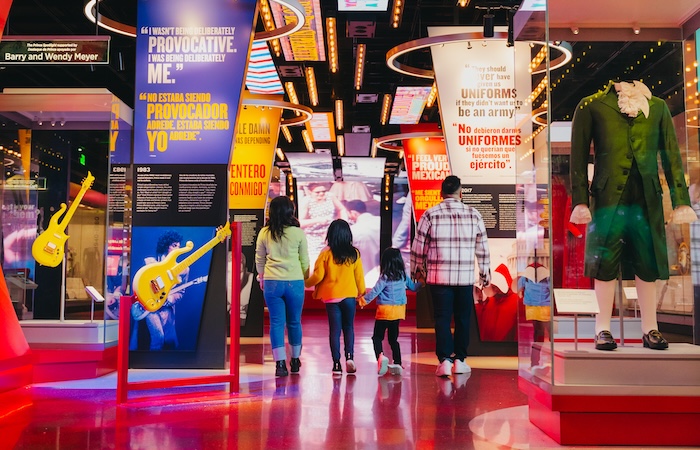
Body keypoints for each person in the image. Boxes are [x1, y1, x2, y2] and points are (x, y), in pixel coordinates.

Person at [569, 80, 696, 351]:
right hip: (606, 198)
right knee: (604, 261)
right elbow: (578, 156)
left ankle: (650, 328)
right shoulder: (591, 105)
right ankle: (602, 327)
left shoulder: (658, 108)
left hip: (646, 197)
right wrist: (580, 200)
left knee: (647, 261)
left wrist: (680, 201)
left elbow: (671, 155)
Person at [410, 175, 491, 377]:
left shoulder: (430, 215)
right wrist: (484, 273)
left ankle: (444, 361)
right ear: (460, 193)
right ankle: (460, 360)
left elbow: (418, 248)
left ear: (441, 193)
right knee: (464, 319)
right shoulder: (474, 215)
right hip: (464, 279)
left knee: (442, 319)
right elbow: (482, 248)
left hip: (439, 279)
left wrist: (416, 271)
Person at [255, 196, 310, 377]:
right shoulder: (298, 233)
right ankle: (294, 360)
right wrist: (302, 276)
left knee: (277, 323)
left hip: (272, 282)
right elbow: (304, 261)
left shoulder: (264, 232)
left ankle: (279, 364)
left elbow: (259, 258)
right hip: (294, 281)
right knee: (294, 322)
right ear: (290, 211)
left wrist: (262, 276)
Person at [305, 219, 365, 375]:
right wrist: (362, 292)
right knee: (349, 327)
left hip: (332, 297)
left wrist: (305, 282)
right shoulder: (354, 253)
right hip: (350, 296)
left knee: (335, 331)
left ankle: (336, 364)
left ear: (330, 234)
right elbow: (359, 276)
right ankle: (350, 357)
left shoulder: (326, 253)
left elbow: (318, 275)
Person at [359, 247, 423, 376]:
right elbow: (413, 288)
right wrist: (421, 282)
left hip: (384, 311)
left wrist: (362, 301)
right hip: (398, 311)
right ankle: (398, 363)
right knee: (393, 340)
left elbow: (375, 291)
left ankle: (380, 356)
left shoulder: (385, 277)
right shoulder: (403, 276)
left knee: (377, 337)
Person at [130, 230, 189, 351]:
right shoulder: (150, 262)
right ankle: (151, 364)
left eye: (179, 246)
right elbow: (139, 282)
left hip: (166, 309)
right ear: (166, 245)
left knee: (168, 341)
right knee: (158, 337)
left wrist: (169, 299)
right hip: (150, 307)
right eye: (174, 245)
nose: (177, 248)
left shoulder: (184, 269)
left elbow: (181, 293)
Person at [298, 182, 349, 267]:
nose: (321, 194)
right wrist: (317, 220)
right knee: (317, 263)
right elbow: (299, 223)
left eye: (323, 191)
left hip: (331, 234)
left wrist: (343, 225)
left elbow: (342, 209)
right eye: (317, 192)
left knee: (334, 261)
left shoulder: (330, 196)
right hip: (313, 237)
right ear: (310, 192)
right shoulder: (307, 201)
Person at [347, 199, 381, 278]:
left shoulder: (353, 230)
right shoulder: (381, 221)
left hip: (364, 273)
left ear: (353, 213)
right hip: (383, 271)